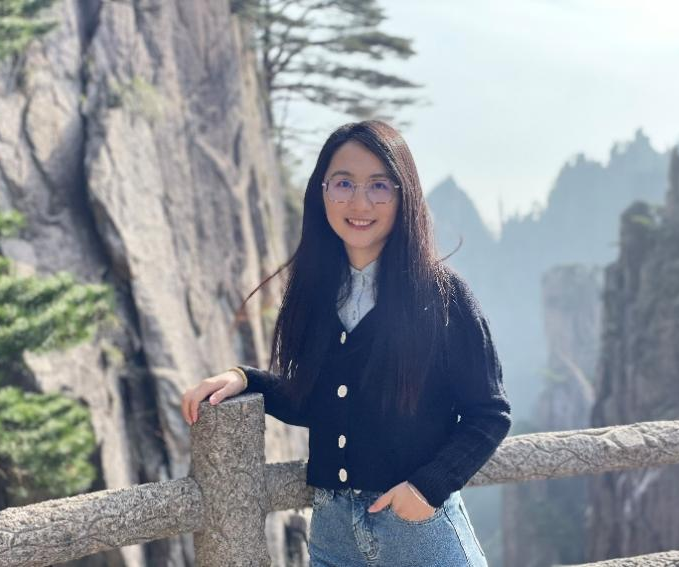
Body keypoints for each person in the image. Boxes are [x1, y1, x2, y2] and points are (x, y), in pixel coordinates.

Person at [180, 120, 511, 567]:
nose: (359, 202)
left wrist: (426, 489)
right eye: (343, 183)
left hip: (415, 531)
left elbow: (489, 413)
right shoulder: (318, 292)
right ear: (322, 191)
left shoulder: (442, 296)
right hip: (333, 533)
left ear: (405, 195)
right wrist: (245, 379)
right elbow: (316, 400)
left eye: (379, 185)